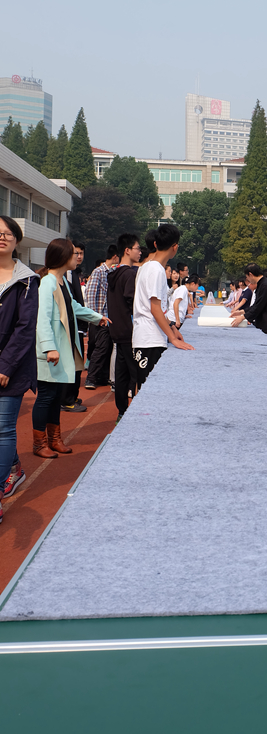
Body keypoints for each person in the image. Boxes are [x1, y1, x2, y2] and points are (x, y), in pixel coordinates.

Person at [33, 239, 107, 459]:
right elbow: (42, 318)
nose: (78, 257)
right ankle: (40, 443)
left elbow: (73, 307)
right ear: (63, 257)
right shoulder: (48, 282)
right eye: (74, 254)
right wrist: (49, 348)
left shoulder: (61, 281)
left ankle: (54, 439)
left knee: (55, 396)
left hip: (59, 351)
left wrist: (97, 318)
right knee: (46, 396)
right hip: (52, 353)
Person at [0, 216, 39, 521]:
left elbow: (25, 328)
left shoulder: (26, 280)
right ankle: (14, 467)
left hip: (9, 368)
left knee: (2, 430)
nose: (2, 237)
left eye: (7, 233)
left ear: (16, 240)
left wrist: (7, 365)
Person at [132, 224, 194, 386]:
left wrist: (172, 328)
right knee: (148, 390)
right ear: (175, 247)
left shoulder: (146, 267)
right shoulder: (156, 270)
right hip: (149, 340)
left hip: (148, 337)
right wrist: (173, 339)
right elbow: (154, 308)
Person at [107, 233, 142, 421]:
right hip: (130, 331)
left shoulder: (113, 273)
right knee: (136, 371)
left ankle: (122, 410)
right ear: (127, 250)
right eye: (138, 248)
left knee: (121, 373)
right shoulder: (128, 274)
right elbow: (132, 302)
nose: (140, 252)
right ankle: (135, 410)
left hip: (117, 330)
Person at [84, 244, 119, 389]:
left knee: (106, 348)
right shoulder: (98, 272)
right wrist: (96, 318)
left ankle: (101, 377)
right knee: (101, 348)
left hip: (108, 319)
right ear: (115, 256)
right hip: (100, 318)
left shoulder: (113, 272)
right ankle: (90, 379)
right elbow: (90, 295)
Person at [61, 241, 88, 413]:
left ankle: (71, 396)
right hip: (69, 327)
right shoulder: (57, 278)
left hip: (78, 325)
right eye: (75, 253)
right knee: (70, 365)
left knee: (78, 365)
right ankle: (66, 399)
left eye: (80, 253)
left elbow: (77, 303)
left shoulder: (74, 274)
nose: (78, 257)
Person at [230, 264, 267, 342]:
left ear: (250, 274)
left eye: (247, 277)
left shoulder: (265, 285)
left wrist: (243, 317)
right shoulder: (262, 284)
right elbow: (256, 304)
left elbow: (259, 306)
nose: (248, 280)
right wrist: (241, 312)